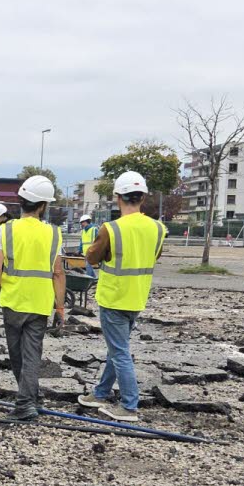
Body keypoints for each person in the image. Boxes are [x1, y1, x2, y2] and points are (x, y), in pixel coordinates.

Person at [77, 171, 168, 422]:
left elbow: (92, 258)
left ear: (118, 197)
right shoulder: (158, 228)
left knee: (119, 352)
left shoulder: (111, 228)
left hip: (114, 296)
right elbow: (154, 256)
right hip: (137, 296)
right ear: (143, 197)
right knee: (117, 348)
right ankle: (101, 393)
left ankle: (129, 406)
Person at [0, 175, 65, 421]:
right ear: (43, 205)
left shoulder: (5, 230)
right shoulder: (54, 234)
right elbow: (58, 272)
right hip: (41, 303)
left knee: (16, 353)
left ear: (21, 201)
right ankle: (29, 398)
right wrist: (60, 307)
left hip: (13, 299)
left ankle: (25, 404)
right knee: (32, 353)